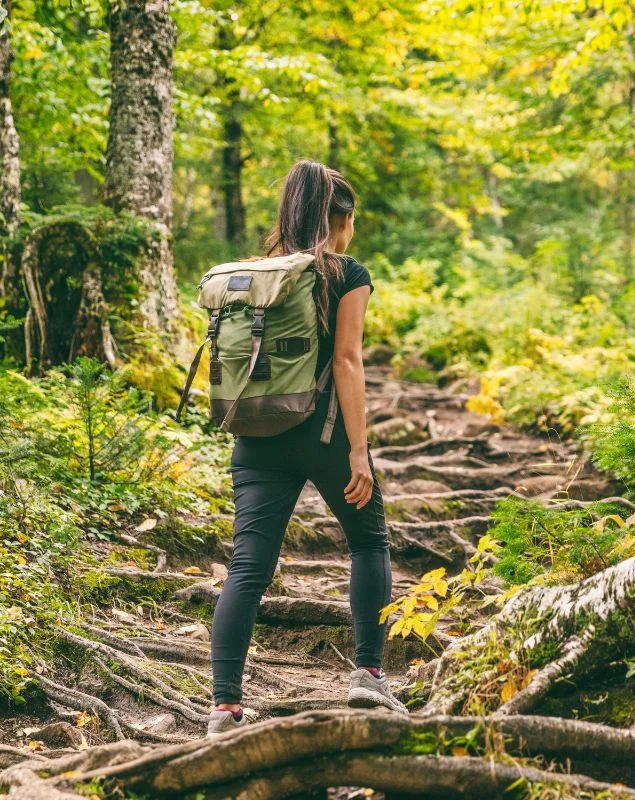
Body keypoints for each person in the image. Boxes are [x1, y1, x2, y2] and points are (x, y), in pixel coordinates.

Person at [207, 160, 406, 736]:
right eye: (351, 221)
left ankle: (224, 708)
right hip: (323, 435)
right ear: (337, 218)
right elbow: (346, 360)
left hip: (257, 436)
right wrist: (358, 451)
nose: (352, 233)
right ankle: (368, 676)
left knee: (248, 566)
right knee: (370, 542)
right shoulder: (346, 272)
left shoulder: (258, 275)